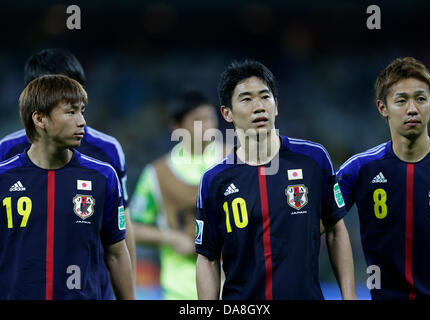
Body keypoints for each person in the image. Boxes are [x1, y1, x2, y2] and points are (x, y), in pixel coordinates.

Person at [195, 60, 356, 300]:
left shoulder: (313, 160)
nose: (258, 106)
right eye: (246, 99)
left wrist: (349, 297)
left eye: (265, 97)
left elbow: (335, 230)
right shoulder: (214, 180)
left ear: (277, 106)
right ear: (226, 113)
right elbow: (207, 258)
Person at [0, 48, 136, 289]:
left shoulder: (106, 155)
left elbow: (120, 234)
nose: (81, 119)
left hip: (90, 289)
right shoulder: (6, 155)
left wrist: (127, 290)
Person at [337, 57, 430, 299]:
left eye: (421, 99)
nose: (412, 109)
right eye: (401, 100)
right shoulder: (358, 169)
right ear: (382, 108)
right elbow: (314, 223)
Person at [130, 89, 227, 299]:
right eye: (198, 120)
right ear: (177, 127)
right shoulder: (156, 174)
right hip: (180, 291)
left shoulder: (236, 161)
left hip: (235, 288)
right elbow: (132, 226)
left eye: (210, 117)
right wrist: (169, 237)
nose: (208, 126)